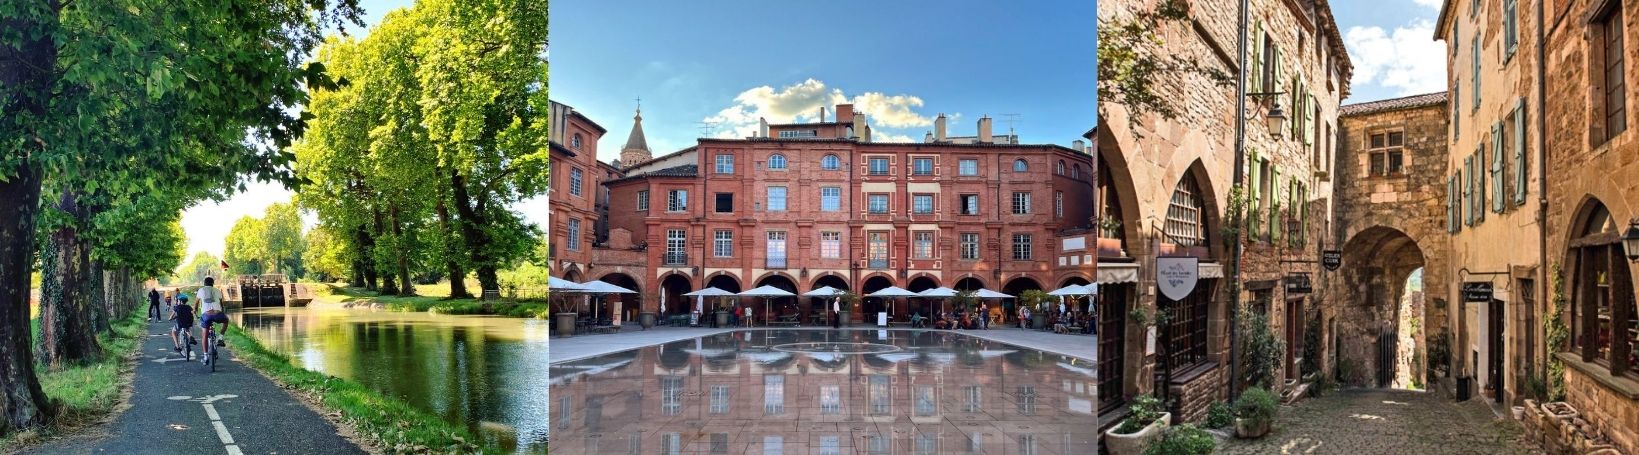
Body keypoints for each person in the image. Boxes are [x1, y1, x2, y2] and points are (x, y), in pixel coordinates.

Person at [196, 277, 229, 359]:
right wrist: (222, 312)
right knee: (226, 321)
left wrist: (194, 311)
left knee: (204, 336)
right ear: (213, 283)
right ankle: (220, 338)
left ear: (204, 283)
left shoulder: (201, 290)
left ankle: (205, 357)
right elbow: (221, 304)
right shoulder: (217, 291)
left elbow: (196, 303)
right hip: (218, 314)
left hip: (206, 316)